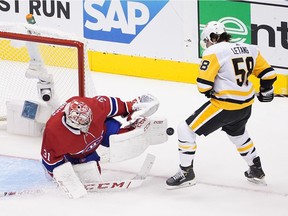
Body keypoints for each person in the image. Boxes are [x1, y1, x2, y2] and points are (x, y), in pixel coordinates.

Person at [166, 21, 277, 189]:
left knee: (185, 129)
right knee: (238, 135)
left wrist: (210, 91)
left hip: (225, 106)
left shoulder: (214, 51)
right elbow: (269, 74)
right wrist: (266, 90)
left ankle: (186, 173)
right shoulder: (250, 48)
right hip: (246, 106)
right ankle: (256, 169)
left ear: (212, 37)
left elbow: (203, 85)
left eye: (207, 40)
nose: (207, 44)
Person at [40, 93, 161, 198]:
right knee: (90, 176)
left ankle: (135, 126)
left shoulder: (91, 106)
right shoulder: (53, 133)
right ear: (72, 122)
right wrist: (61, 179)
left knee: (123, 140)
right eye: (82, 123)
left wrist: (129, 106)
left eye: (87, 120)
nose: (87, 125)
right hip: (80, 153)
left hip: (103, 129)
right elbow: (50, 161)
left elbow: (110, 105)